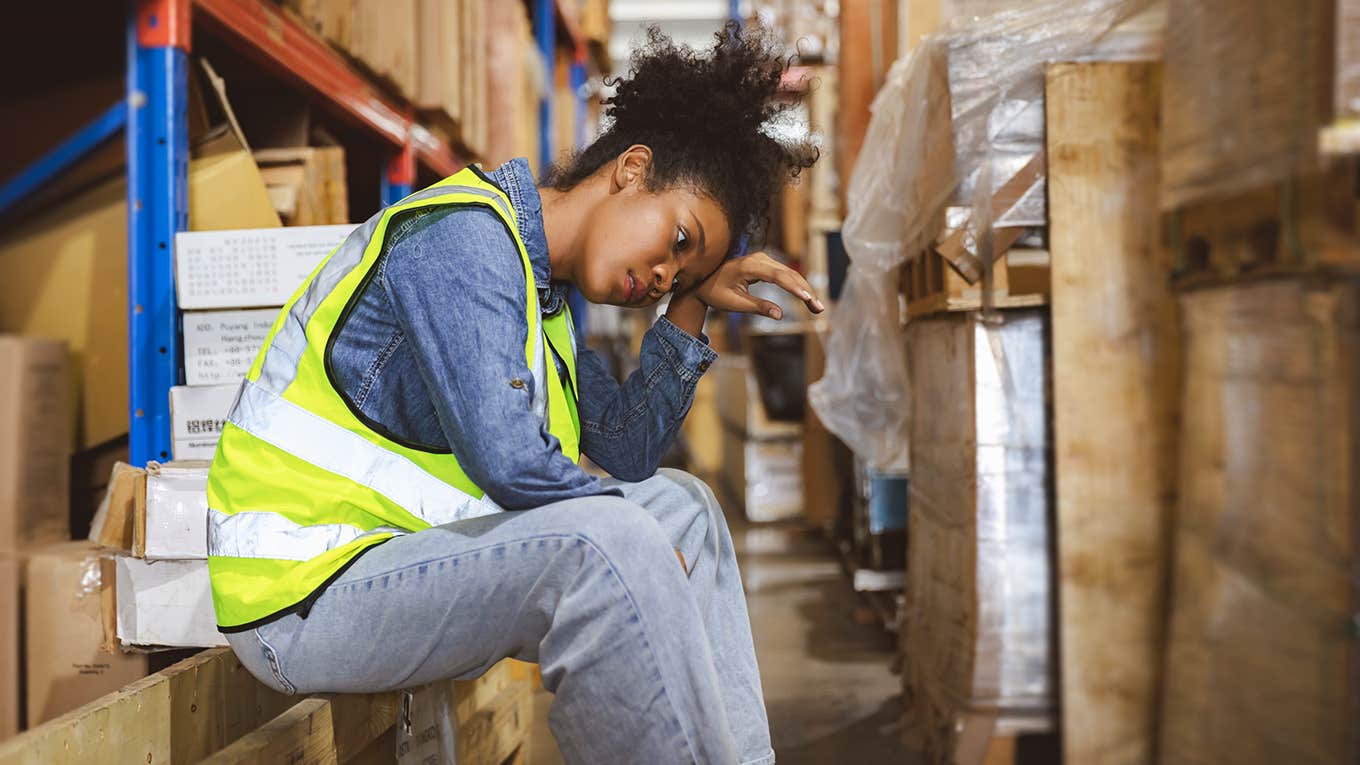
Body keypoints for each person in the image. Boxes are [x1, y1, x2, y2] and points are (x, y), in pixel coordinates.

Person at [207, 21, 819, 765]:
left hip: (394, 567)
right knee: (610, 539)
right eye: (679, 241)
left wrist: (693, 305)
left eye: (680, 273)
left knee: (682, 508)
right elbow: (508, 459)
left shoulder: (546, 301)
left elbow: (626, 451)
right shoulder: (463, 241)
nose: (664, 274)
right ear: (633, 168)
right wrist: (633, 542)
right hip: (302, 595)